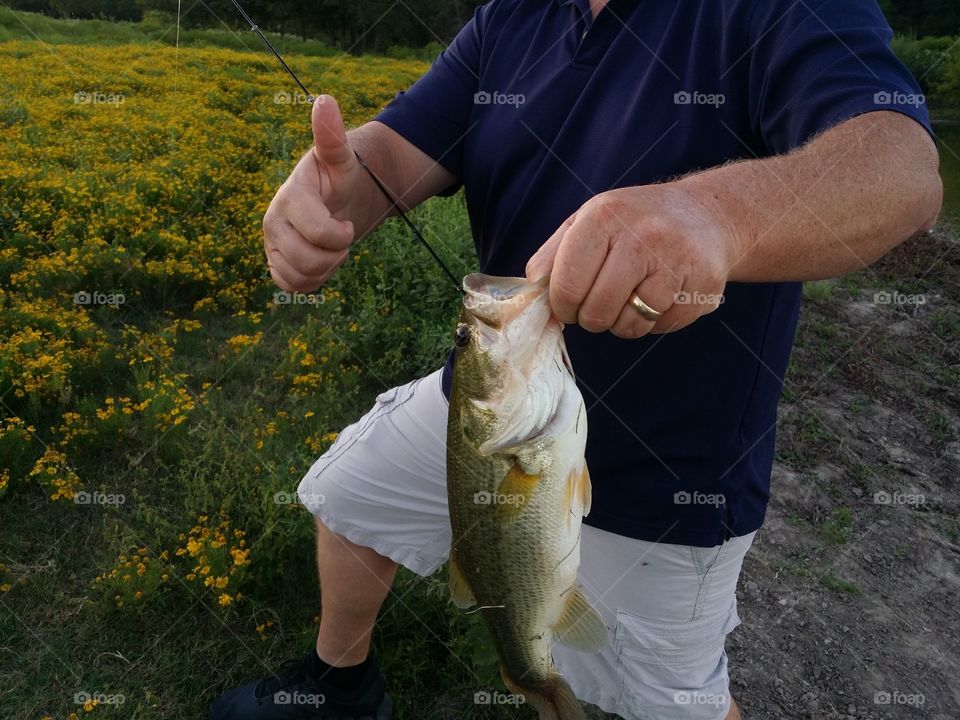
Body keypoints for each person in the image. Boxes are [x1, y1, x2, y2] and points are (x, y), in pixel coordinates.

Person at [208, 0, 942, 718]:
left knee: (671, 702)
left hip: (667, 474)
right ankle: (341, 682)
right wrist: (334, 195)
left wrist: (716, 217)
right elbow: (400, 149)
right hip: (491, 411)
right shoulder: (511, 17)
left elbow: (901, 168)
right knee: (352, 492)